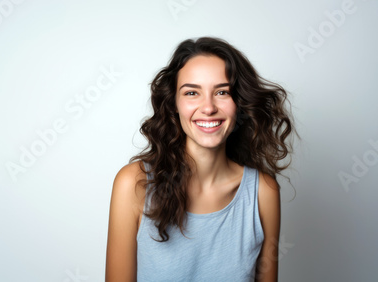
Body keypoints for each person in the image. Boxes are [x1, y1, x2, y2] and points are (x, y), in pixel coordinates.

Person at [105, 37, 295, 281]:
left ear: (239, 103)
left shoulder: (262, 191)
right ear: (174, 103)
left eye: (222, 92)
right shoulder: (133, 183)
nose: (208, 107)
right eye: (192, 92)